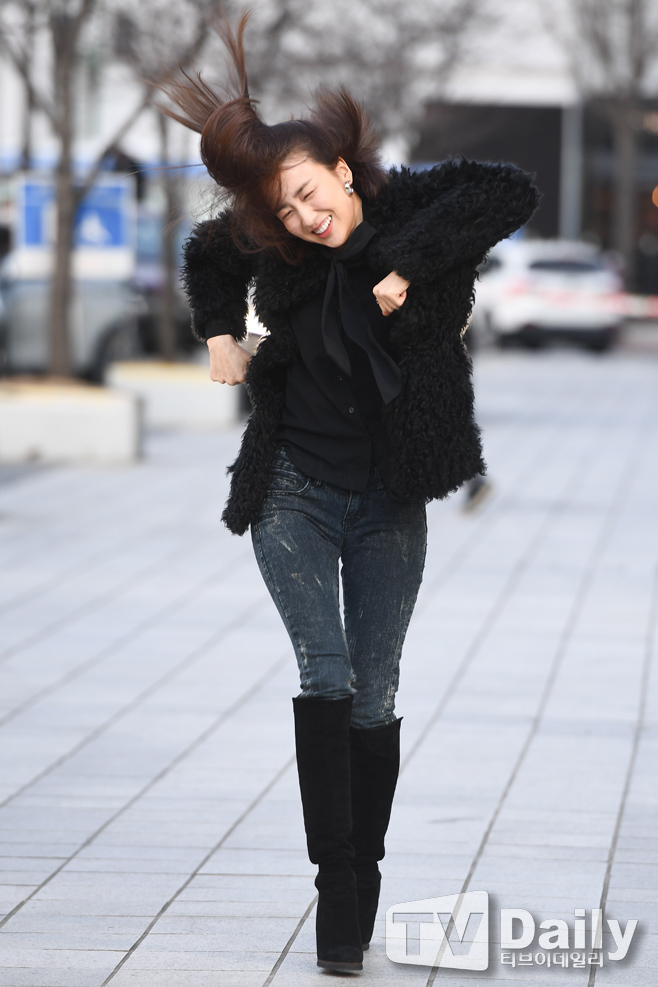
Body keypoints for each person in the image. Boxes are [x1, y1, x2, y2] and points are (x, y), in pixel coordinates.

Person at [161, 13, 539, 974]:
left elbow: (510, 188)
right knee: (325, 675)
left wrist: (409, 264)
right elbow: (209, 252)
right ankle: (338, 887)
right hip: (293, 485)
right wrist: (218, 334)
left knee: (377, 691)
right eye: (283, 210)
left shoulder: (411, 211)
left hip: (388, 499)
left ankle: (358, 872)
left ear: (339, 169)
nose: (301, 218)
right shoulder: (278, 248)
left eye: (306, 194)